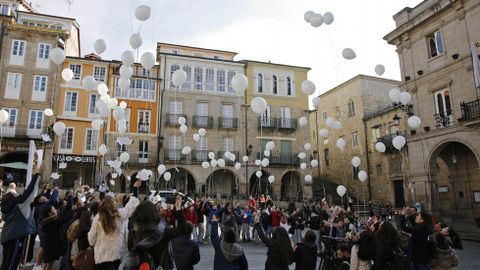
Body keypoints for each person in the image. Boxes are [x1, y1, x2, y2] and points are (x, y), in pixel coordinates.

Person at [88, 180, 140, 270]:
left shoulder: (97, 218)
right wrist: (135, 188)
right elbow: (132, 206)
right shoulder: (120, 215)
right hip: (118, 255)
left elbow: (91, 239)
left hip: (101, 257)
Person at [1, 163, 43, 270]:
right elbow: (30, 190)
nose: (19, 194)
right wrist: (38, 173)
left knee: (7, 263)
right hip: (15, 237)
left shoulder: (9, 205)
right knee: (11, 265)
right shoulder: (19, 204)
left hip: (9, 236)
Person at [39, 195, 75, 270]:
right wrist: (72, 210)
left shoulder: (46, 221)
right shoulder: (52, 222)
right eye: (53, 209)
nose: (55, 210)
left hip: (48, 244)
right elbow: (64, 220)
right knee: (49, 263)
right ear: (49, 213)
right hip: (51, 245)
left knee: (48, 263)